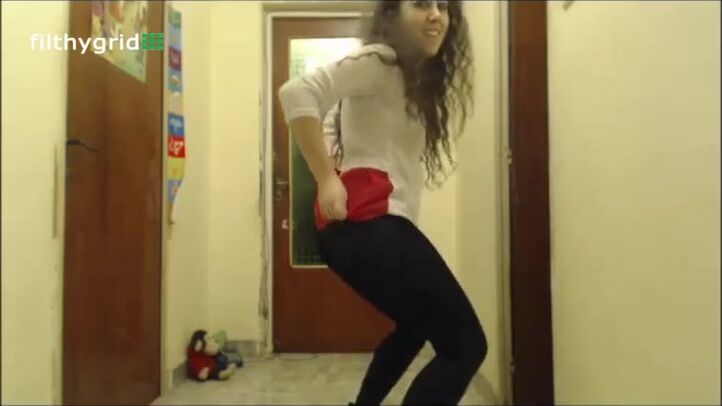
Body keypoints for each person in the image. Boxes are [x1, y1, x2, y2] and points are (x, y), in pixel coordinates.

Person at [278, 1, 487, 405]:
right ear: (393, 14)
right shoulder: (381, 60)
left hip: (362, 230)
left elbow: (335, 123)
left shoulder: (409, 77)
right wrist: (326, 178)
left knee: (415, 327)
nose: (436, 15)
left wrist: (337, 166)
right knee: (466, 346)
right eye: (421, 4)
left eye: (444, 6)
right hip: (372, 226)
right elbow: (296, 92)